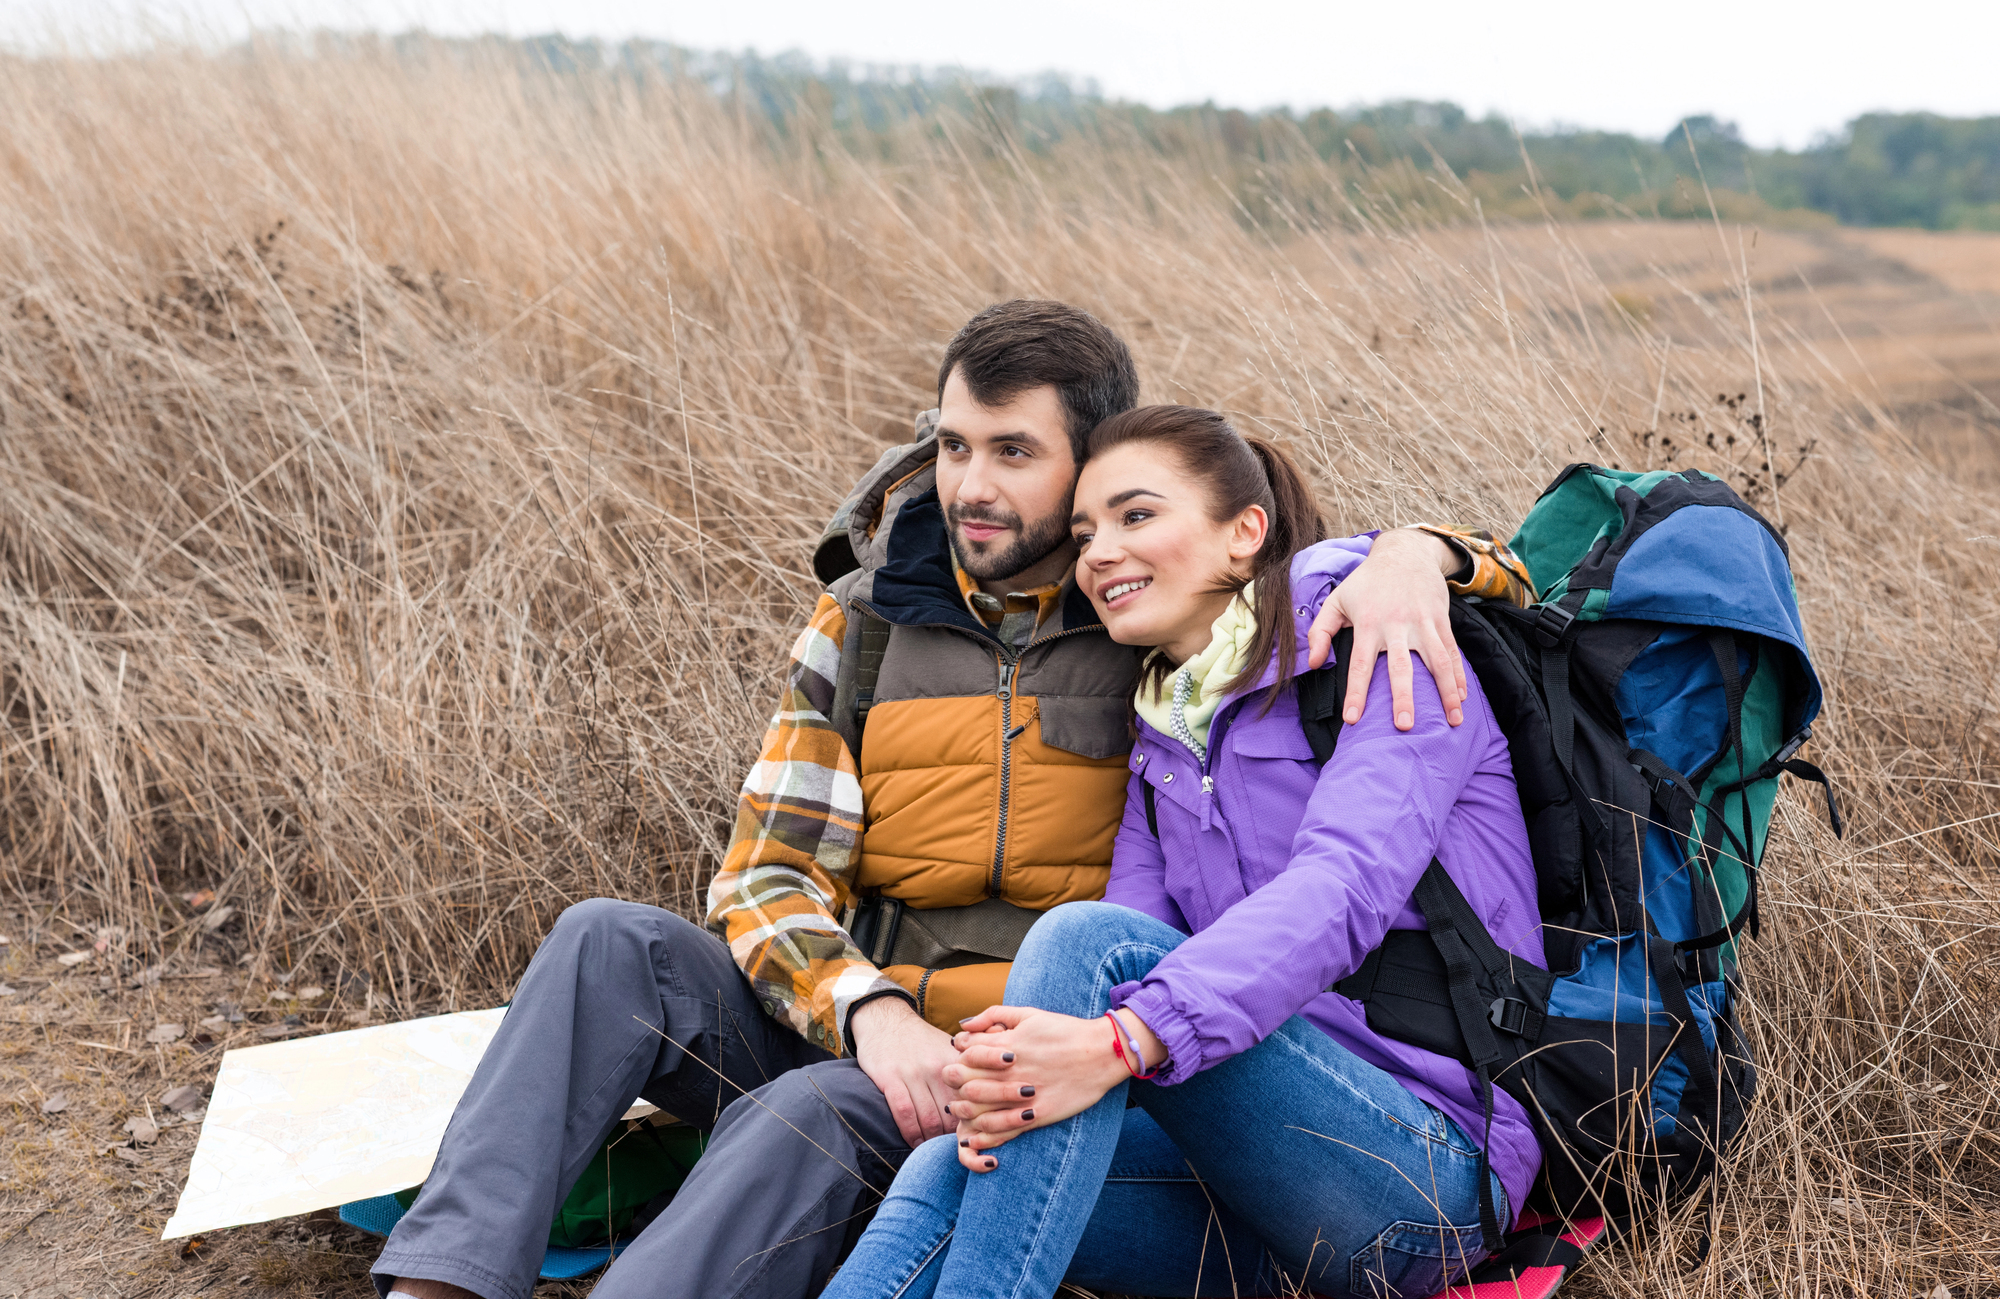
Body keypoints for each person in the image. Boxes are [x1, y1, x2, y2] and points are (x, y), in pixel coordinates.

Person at [373, 304, 1535, 1299]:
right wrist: (873, 1018)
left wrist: (1418, 556)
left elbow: (1372, 620)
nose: (972, 488)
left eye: (1015, 454)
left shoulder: (1152, 634)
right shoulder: (872, 627)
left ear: (1090, 459)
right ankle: (437, 1283)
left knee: (845, 1104)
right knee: (606, 942)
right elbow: (767, 873)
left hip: (1050, 1063)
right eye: (951, 447)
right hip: (882, 1033)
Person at [819, 403, 1546, 1299]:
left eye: (1135, 515)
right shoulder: (1163, 736)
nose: (1097, 553)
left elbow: (1343, 886)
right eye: (1085, 532)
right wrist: (1020, 1077)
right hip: (1254, 1194)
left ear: (1245, 533)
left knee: (1084, 942)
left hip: (1421, 1174)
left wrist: (1126, 1040)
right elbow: (1134, 934)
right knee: (949, 1170)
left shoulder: (1386, 652)